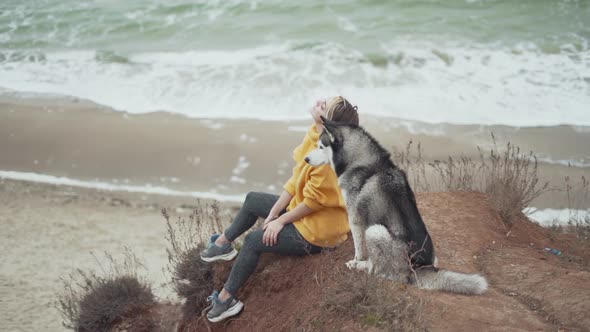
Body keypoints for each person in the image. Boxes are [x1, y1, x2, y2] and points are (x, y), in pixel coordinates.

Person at [200, 96, 359, 322]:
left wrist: (281, 221)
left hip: (318, 232)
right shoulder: (324, 142)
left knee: (254, 241)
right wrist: (275, 212)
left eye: (326, 107)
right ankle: (222, 245)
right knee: (253, 199)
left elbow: (314, 202)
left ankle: (225, 301)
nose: (321, 103)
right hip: (305, 215)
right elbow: (297, 176)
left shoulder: (330, 161)